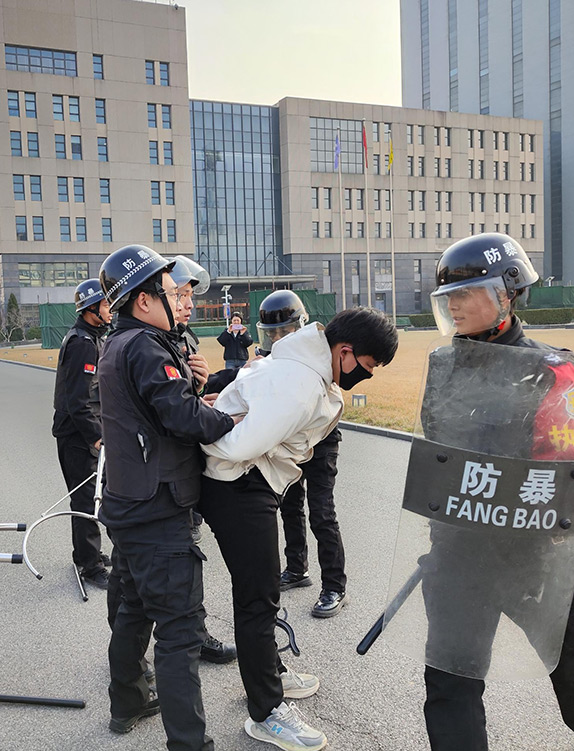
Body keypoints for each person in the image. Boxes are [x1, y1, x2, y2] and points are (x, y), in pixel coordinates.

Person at [419, 232, 574, 751]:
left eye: (467, 293)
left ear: (507, 293)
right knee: (449, 682)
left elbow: (569, 473)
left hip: (539, 555)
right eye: (448, 297)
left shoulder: (552, 371)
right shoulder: (442, 366)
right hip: (462, 553)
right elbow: (439, 452)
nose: (455, 306)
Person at [199, 307, 399, 751]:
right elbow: (240, 445)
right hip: (238, 481)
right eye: (367, 366)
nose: (367, 376)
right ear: (344, 351)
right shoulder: (301, 383)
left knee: (263, 592)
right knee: (257, 597)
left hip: (248, 479)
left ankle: (268, 674)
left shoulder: (302, 364)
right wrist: (216, 430)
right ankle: (266, 712)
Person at [97, 245, 239, 751]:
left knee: (135, 610)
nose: (179, 299)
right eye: (169, 291)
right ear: (143, 300)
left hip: (129, 503)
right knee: (179, 632)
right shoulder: (146, 346)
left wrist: (195, 392)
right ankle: (188, 743)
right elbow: (182, 418)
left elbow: (157, 411)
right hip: (157, 509)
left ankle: (128, 702)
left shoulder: (119, 343)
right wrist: (228, 418)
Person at [255, 291, 350, 619]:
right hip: (289, 440)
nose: (278, 338)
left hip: (321, 439)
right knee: (289, 506)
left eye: (284, 331)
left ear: (300, 326)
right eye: (272, 333)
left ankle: (335, 586)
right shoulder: (271, 357)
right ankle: (297, 568)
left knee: (322, 512)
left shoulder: (318, 353)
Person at [166, 255, 238, 665]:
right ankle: (179, 646)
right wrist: (218, 417)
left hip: (181, 469)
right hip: (160, 478)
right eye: (181, 295)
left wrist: (201, 386)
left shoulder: (182, 338)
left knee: (175, 566)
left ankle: (190, 637)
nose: (189, 304)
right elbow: (172, 413)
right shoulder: (148, 343)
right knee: (169, 568)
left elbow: (185, 400)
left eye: (190, 296)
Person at [52, 278, 113, 589]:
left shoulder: (92, 337)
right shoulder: (83, 344)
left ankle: (87, 553)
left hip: (84, 430)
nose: (111, 309)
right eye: (105, 304)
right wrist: (96, 436)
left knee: (91, 497)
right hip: (78, 435)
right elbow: (79, 400)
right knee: (86, 500)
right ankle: (90, 565)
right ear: (91, 309)